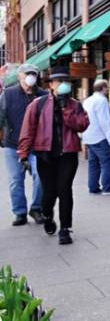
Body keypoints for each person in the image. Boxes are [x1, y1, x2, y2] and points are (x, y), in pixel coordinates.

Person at [18, 66, 89, 245]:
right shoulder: (38, 104)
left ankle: (65, 229)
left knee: (65, 190)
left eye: (65, 81)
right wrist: (23, 154)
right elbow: (28, 130)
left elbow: (82, 125)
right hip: (45, 154)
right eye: (58, 81)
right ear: (51, 84)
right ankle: (47, 215)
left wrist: (66, 110)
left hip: (68, 154)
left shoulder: (75, 105)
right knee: (49, 193)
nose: (62, 84)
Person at [0, 64, 47, 226]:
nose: (31, 77)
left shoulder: (43, 95)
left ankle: (36, 208)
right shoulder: (8, 94)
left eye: (34, 74)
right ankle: (19, 212)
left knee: (40, 177)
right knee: (15, 180)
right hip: (13, 144)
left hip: (37, 145)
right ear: (20, 76)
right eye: (28, 74)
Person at [82, 79, 110, 196]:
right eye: (107, 87)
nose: (108, 89)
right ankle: (107, 188)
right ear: (103, 88)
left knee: (93, 164)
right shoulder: (102, 101)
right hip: (100, 137)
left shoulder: (87, 100)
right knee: (107, 163)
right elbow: (105, 122)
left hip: (89, 137)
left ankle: (93, 188)